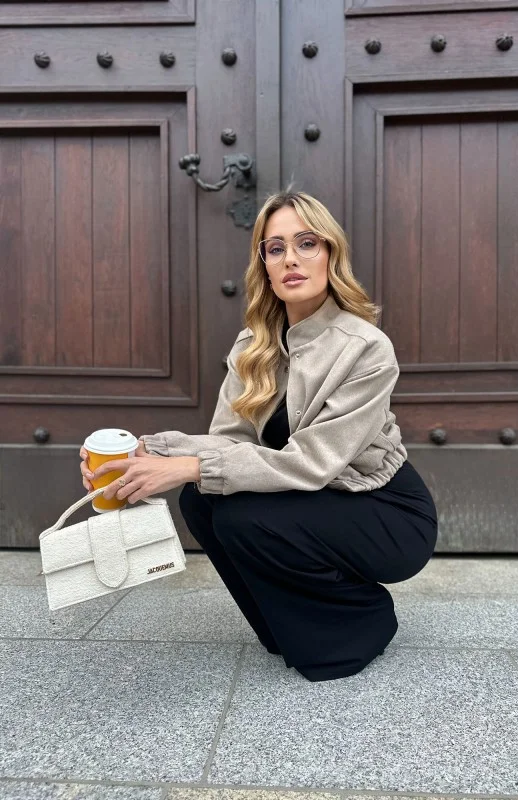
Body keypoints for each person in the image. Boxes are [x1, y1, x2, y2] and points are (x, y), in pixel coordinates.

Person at [80, 190, 438, 682]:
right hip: (319, 501)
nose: (291, 258)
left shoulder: (366, 349)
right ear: (264, 267)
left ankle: (361, 620)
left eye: (306, 243)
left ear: (330, 254)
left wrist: (189, 466)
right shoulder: (255, 346)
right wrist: (145, 454)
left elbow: (313, 462)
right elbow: (229, 441)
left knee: (241, 514)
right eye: (275, 248)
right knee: (202, 500)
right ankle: (283, 624)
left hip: (384, 509)